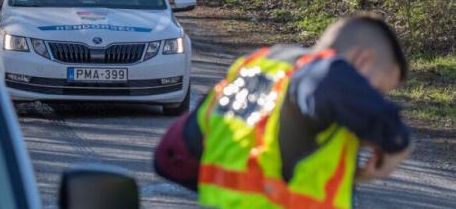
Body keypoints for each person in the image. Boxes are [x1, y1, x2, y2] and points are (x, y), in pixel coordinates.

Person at [154, 14, 412, 209]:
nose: (376, 101)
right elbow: (326, 80)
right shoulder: (316, 75)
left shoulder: (249, 72)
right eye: (378, 90)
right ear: (361, 61)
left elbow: (170, 158)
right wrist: (398, 142)